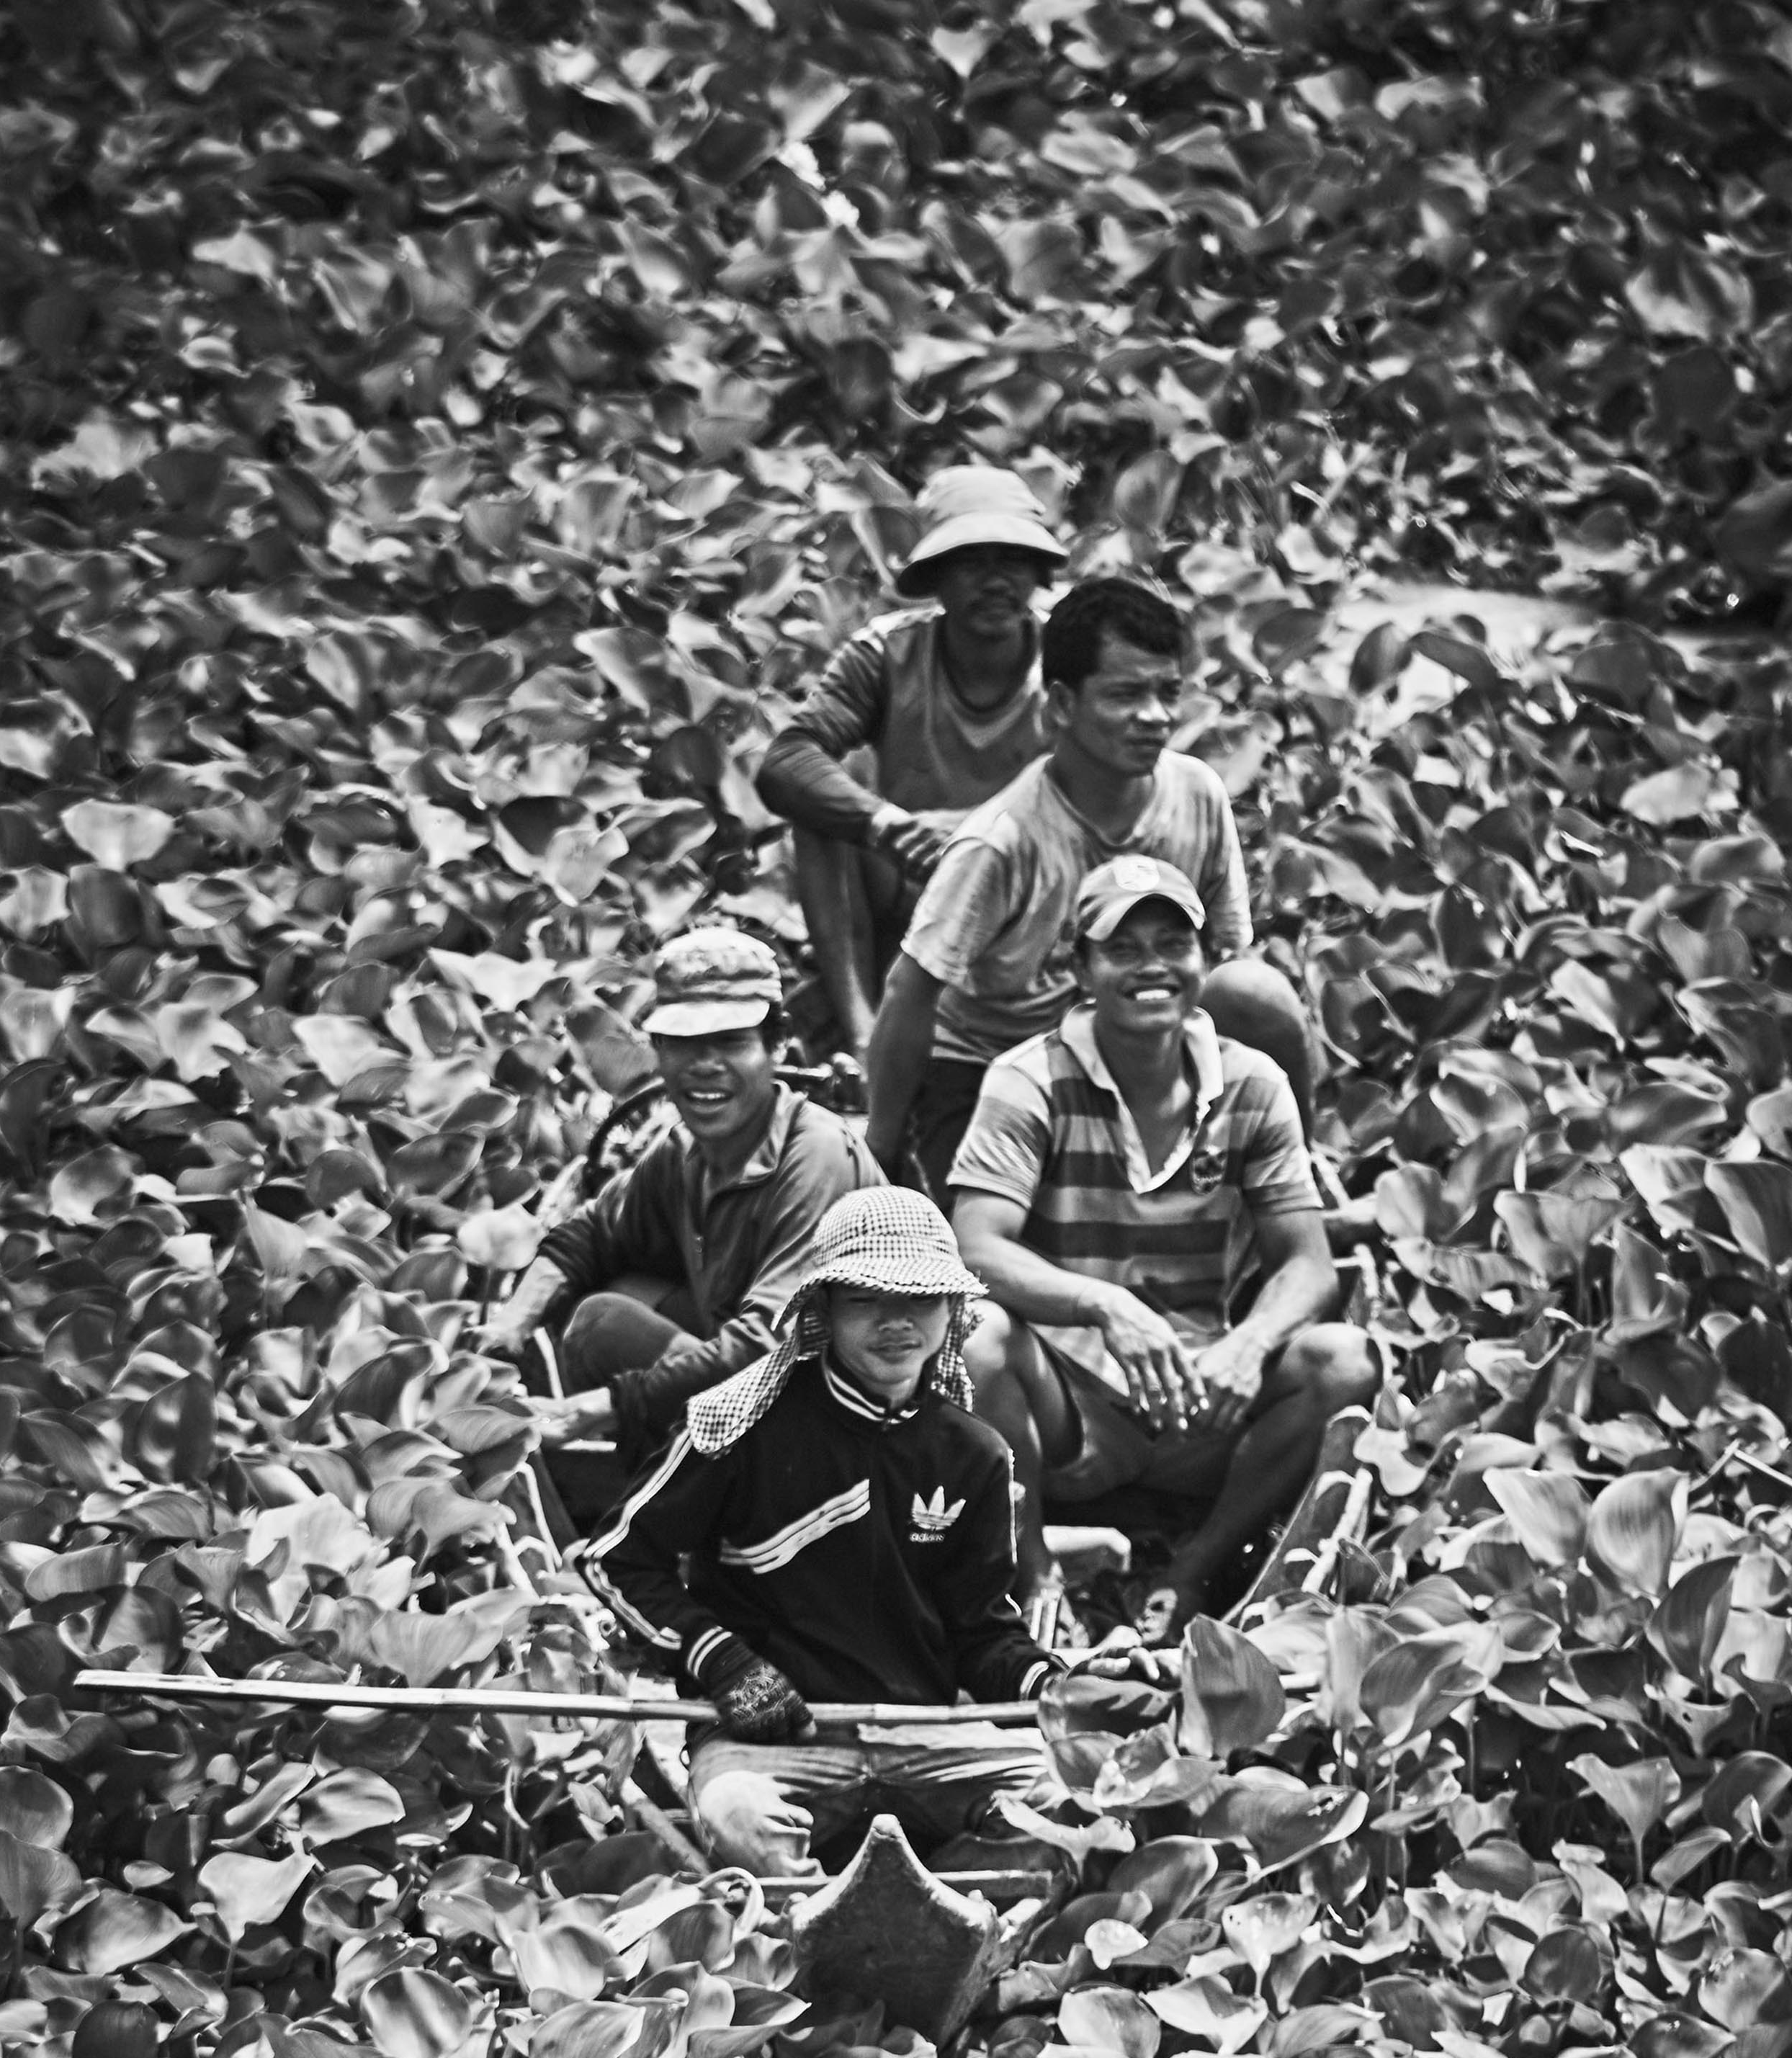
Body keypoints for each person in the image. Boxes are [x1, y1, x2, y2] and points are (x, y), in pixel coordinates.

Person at [954, 855, 1377, 1644]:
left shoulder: (1251, 1084)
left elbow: (1308, 1263)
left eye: (1172, 945)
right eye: (1122, 948)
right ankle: (1031, 1567)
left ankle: (1195, 1571)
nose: (1151, 968)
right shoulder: (1027, 1080)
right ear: (1079, 967)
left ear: (1203, 960)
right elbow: (974, 1248)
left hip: (1200, 1391)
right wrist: (1104, 1305)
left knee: (1343, 1360)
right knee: (974, 1336)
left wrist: (1249, 1344)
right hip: (1069, 1401)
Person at [590, 1187, 1065, 1879]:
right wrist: (725, 1665)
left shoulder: (977, 1453)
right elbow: (615, 1559)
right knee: (738, 1818)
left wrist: (1055, 1688)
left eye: (921, 1300)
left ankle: (923, 1895)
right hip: (771, 1744)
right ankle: (834, 1908)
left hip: (928, 1738)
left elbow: (982, 1633)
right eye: (867, 1299)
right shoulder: (738, 1425)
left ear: (952, 1312)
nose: (897, 1323)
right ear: (824, 1310)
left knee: (1071, 1813)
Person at [863, 572, 1324, 1205]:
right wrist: (880, 1151)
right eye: (1126, 695)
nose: (1155, 718)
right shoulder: (1003, 839)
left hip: (1143, 1043)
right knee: (992, 1249)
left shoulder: (1198, 794)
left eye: (1168, 693)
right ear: (1060, 706)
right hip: (1004, 1067)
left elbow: (1229, 958)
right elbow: (911, 990)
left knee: (1256, 992)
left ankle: (1297, 1176)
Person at [482, 926, 879, 1489]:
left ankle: (687, 1517)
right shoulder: (685, 1151)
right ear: (659, 1050)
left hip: (842, 1421)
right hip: (760, 1388)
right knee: (602, 1319)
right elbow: (592, 1233)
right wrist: (509, 1325)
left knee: (637, 1365)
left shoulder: (815, 1154)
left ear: (778, 1045)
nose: (705, 1066)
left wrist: (605, 1406)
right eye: (684, 1044)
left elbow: (769, 1342)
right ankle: (659, 1498)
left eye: (732, 1043)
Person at [756, 467, 1067, 1058]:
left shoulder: (1070, 656)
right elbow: (786, 761)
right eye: (973, 561)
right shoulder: (887, 653)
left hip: (1032, 888)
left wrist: (977, 834)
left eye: (1012, 561)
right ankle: (862, 1032)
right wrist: (888, 825)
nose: (995, 582)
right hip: (914, 885)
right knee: (818, 807)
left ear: (1038, 573)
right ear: (937, 577)